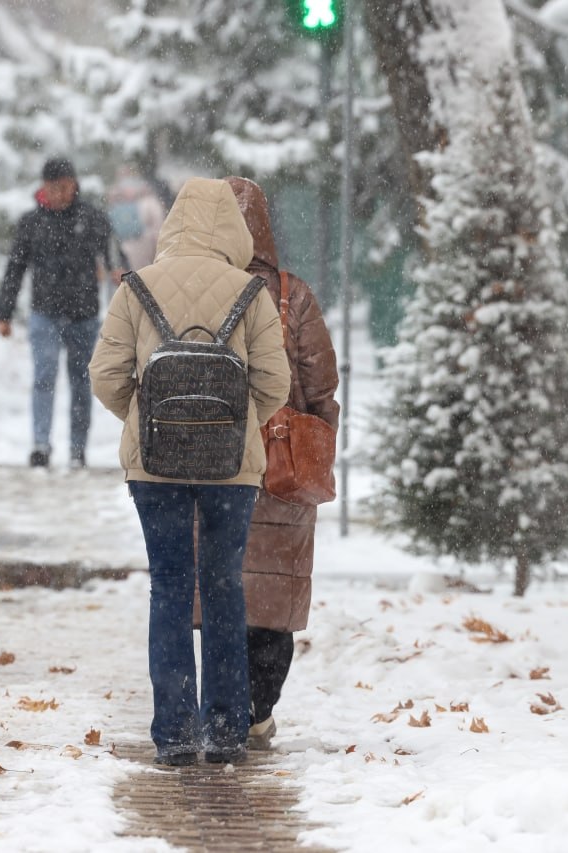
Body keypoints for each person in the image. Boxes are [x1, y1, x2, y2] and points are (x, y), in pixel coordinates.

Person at [89, 177, 291, 766]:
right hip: (232, 470)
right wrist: (232, 424)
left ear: (174, 225)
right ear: (232, 230)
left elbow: (106, 375)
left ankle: (174, 732)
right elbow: (274, 383)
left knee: (170, 587)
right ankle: (227, 732)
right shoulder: (250, 293)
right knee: (225, 588)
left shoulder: (138, 287)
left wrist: (148, 418)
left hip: (154, 467)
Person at [224, 176, 340, 751]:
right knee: (273, 599)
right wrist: (312, 441)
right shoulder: (293, 296)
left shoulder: (201, 292)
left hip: (218, 468)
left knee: (221, 594)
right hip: (283, 471)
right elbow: (323, 392)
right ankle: (258, 708)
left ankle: (221, 703)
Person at [0, 157, 120, 469]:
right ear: (44, 188)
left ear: (74, 185)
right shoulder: (31, 223)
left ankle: (78, 450)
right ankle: (41, 444)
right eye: (53, 188)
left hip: (84, 315)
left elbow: (114, 257)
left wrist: (120, 272)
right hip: (44, 314)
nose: (59, 194)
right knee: (44, 376)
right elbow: (15, 269)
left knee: (80, 382)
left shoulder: (92, 218)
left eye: (65, 187)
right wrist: (4, 312)